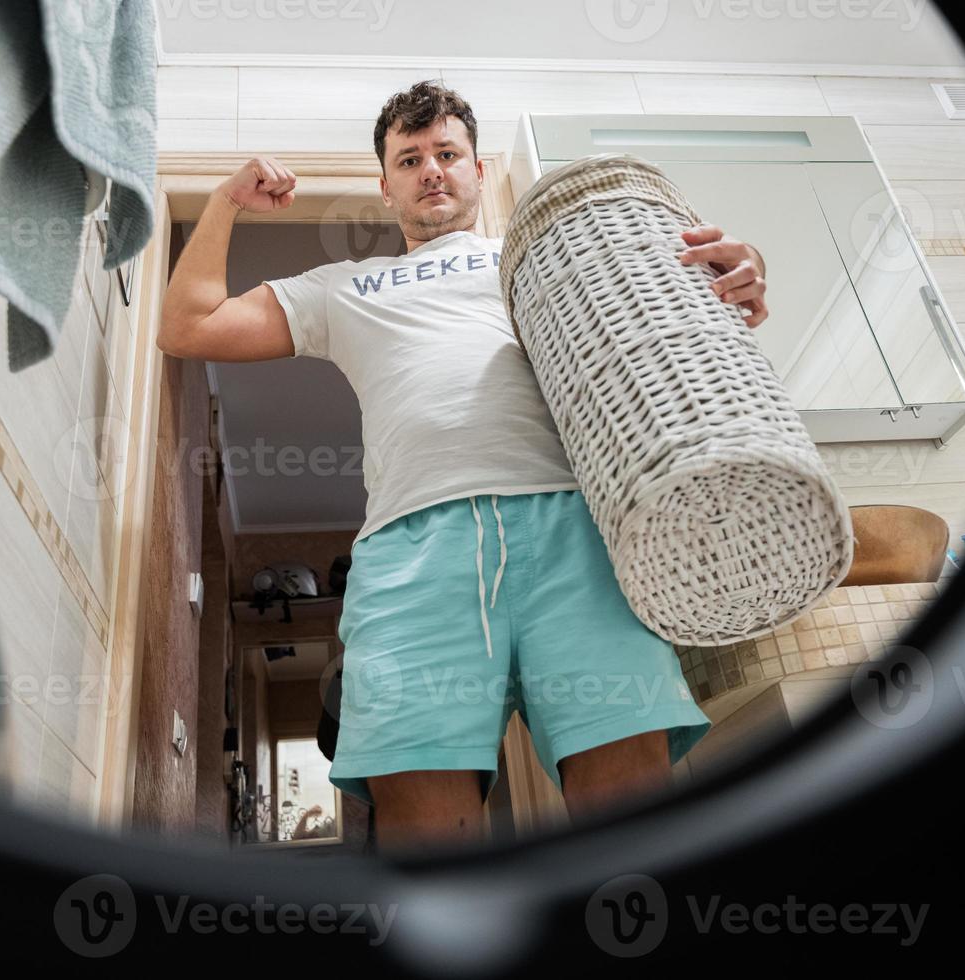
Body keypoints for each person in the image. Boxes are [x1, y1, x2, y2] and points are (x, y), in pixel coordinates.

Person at [158, 80, 770, 857]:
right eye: (409, 159)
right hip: (414, 558)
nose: (431, 170)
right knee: (428, 838)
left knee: (633, 818)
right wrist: (223, 203)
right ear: (386, 186)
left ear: (478, 169)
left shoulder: (543, 258)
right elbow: (187, 325)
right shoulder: (343, 287)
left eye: (446, 153)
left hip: (575, 538)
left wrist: (736, 271)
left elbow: (667, 314)